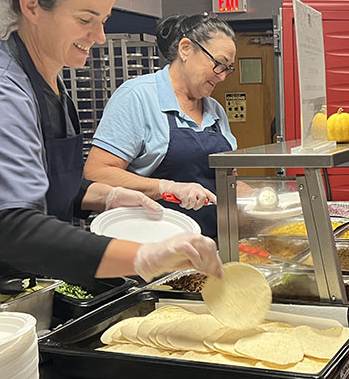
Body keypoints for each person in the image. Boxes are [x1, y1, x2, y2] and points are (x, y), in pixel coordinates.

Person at [0, 0, 221, 286]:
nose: (99, 37)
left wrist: (108, 196)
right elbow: (9, 225)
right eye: (85, 19)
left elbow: (47, 185)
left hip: (35, 276)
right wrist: (142, 256)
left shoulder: (53, 84)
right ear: (32, 6)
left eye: (103, 20)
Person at [84, 13, 237, 237]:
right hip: (151, 246)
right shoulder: (137, 97)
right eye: (219, 64)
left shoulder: (215, 111)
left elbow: (225, 182)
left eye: (228, 69)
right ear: (186, 49)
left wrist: (267, 200)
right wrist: (167, 188)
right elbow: (97, 173)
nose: (223, 77)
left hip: (211, 243)